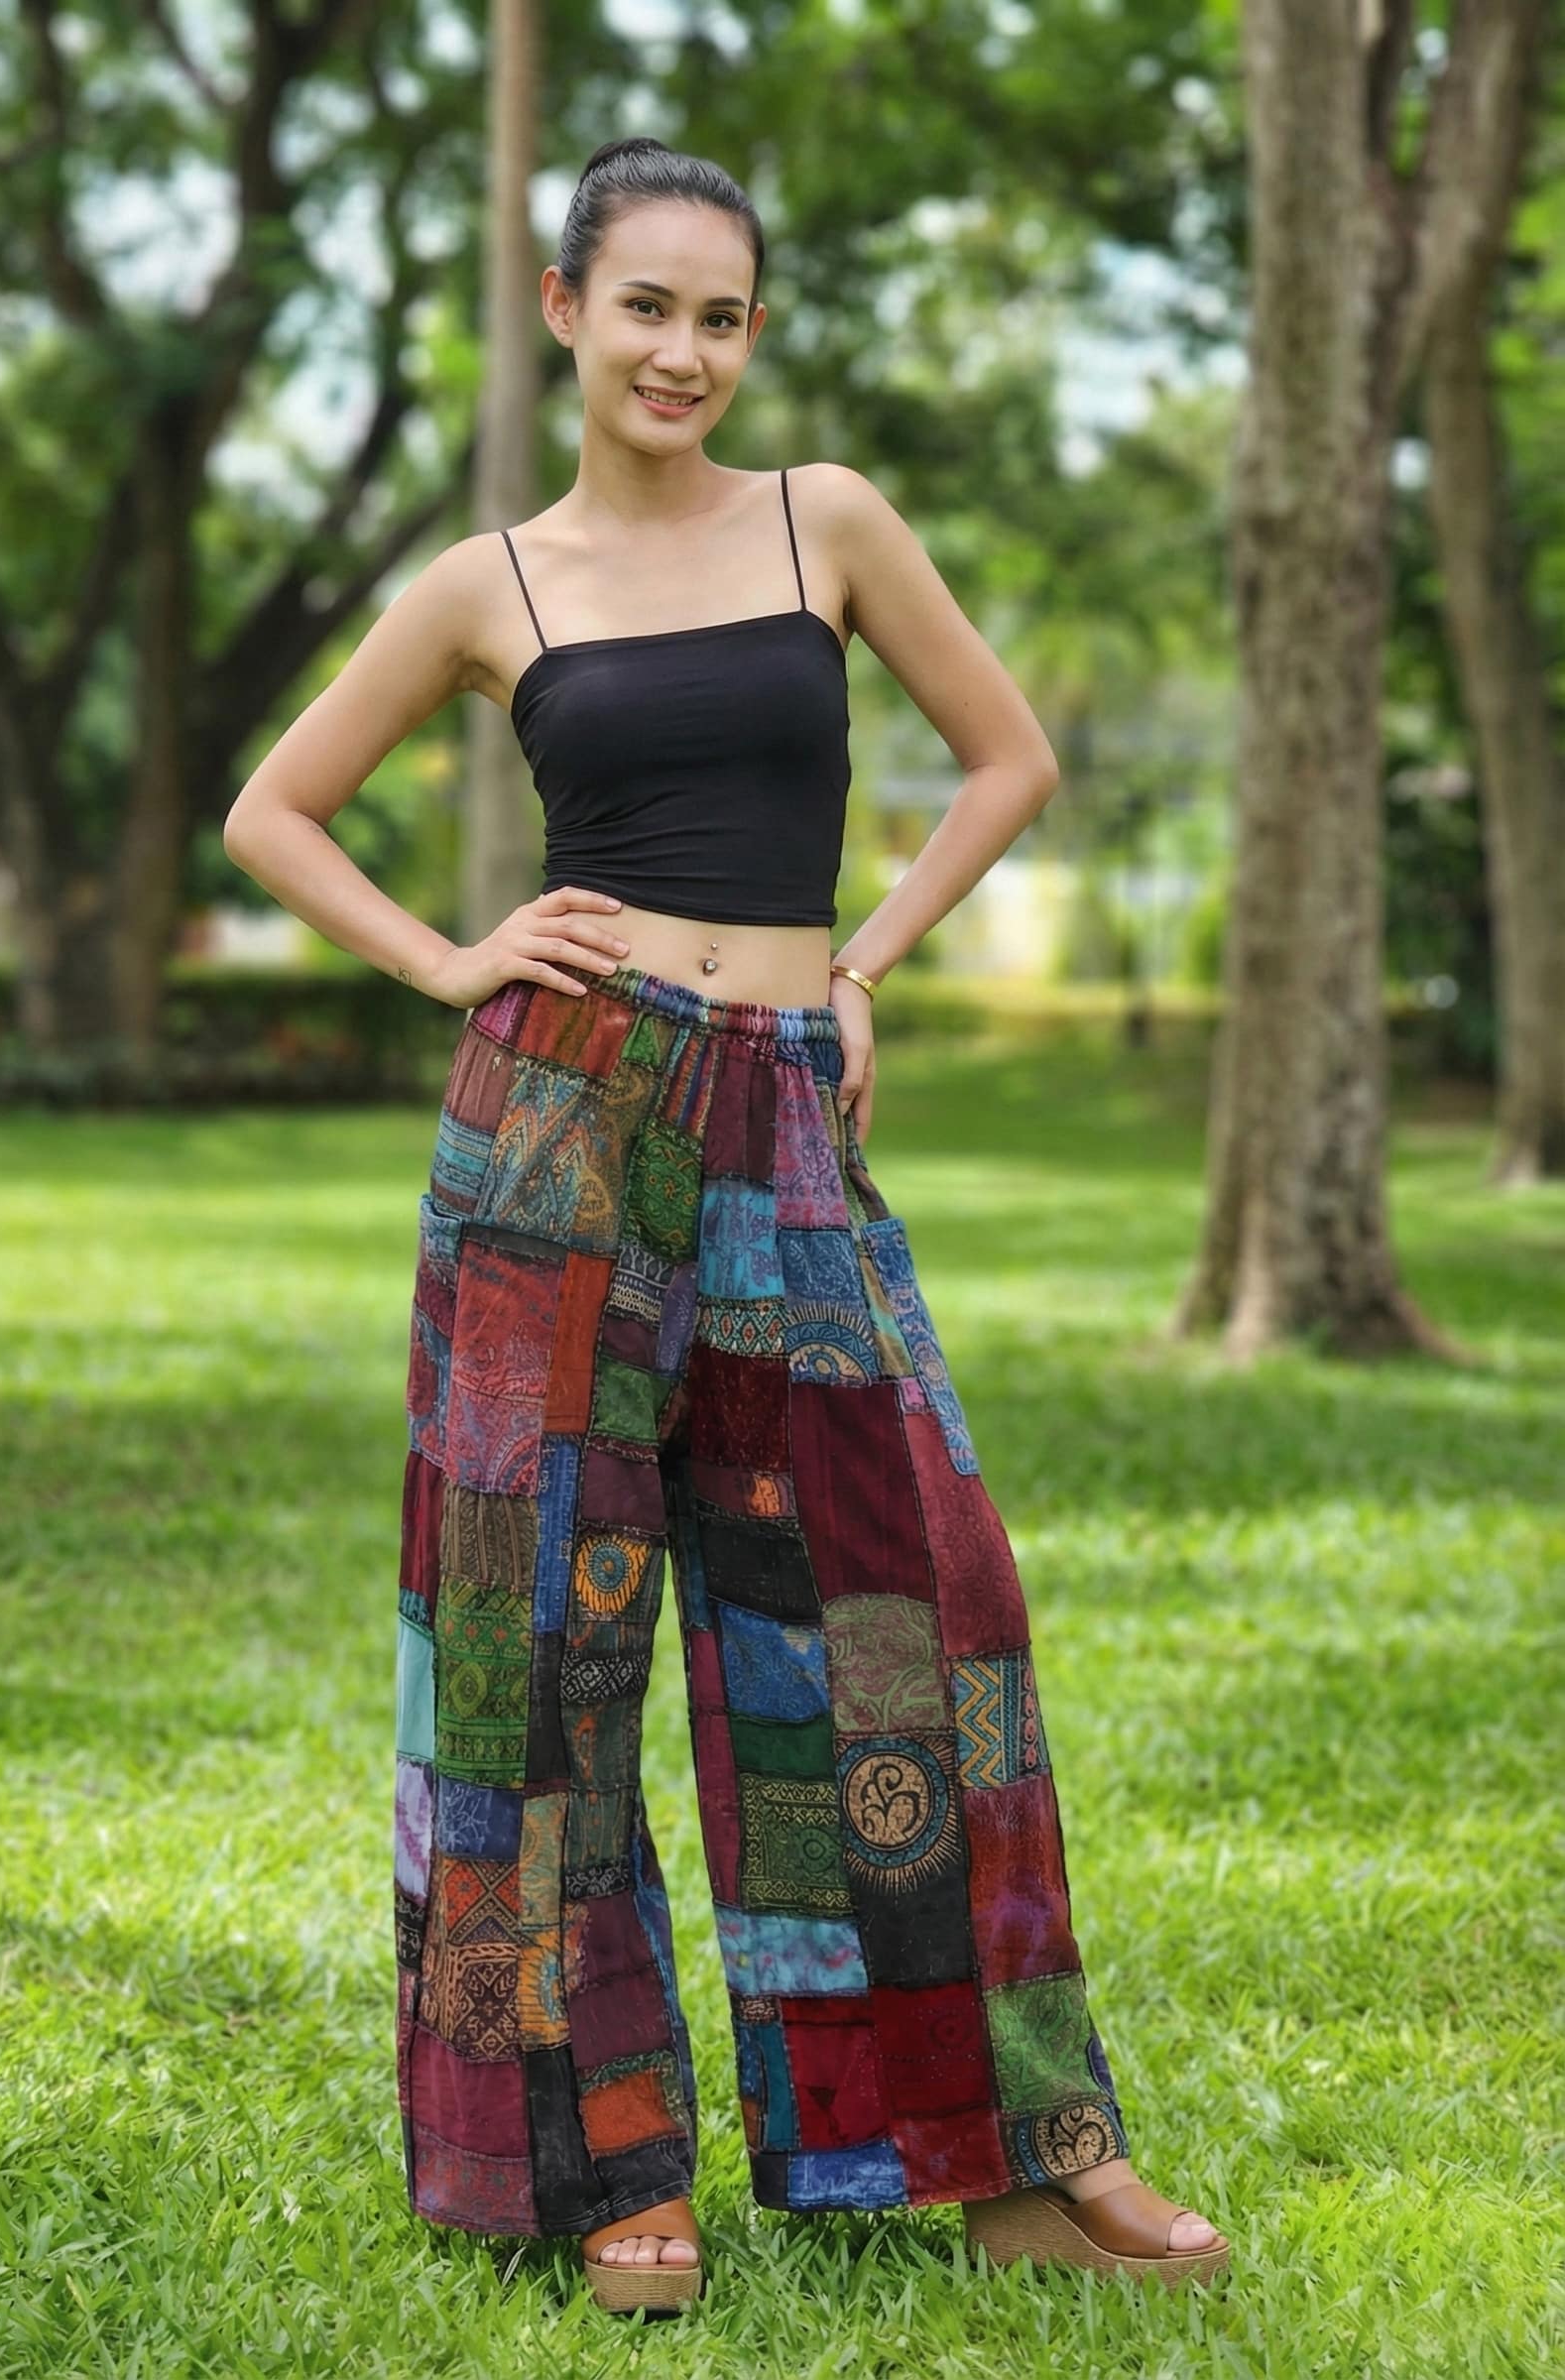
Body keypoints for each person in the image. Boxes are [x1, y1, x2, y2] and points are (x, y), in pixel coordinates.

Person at [224, 134, 1230, 2313]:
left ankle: (1007, 2151)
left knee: (906, 1617)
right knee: (536, 1653)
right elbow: (271, 810)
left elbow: (1008, 759)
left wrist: (861, 964)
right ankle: (606, 2172)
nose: (682, 350)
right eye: (646, 306)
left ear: (750, 335)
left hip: (783, 1113)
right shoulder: (489, 582)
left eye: (722, 316)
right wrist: (450, 958)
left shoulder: (823, 521)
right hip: (557, 1127)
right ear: (564, 311)